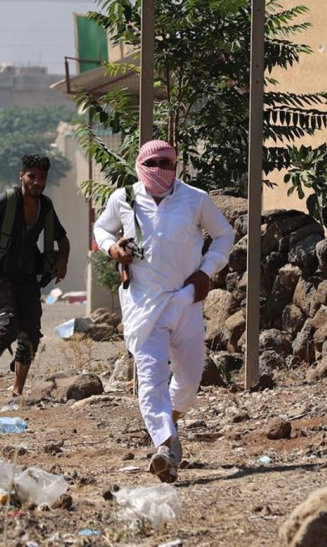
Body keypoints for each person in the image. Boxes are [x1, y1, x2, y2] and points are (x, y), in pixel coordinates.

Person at [93, 140, 233, 484]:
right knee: (151, 376)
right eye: (153, 162)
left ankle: (168, 425)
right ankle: (166, 447)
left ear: (176, 165)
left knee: (190, 378)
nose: (161, 169)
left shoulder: (195, 198)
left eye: (168, 163)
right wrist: (113, 249)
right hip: (143, 304)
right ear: (140, 164)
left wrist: (206, 271)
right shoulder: (124, 198)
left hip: (185, 299)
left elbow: (224, 234)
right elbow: (101, 229)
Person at [0, 154, 69, 401]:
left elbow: (62, 238)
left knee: (31, 335)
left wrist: (62, 262)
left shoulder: (45, 206)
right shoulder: (6, 201)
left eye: (42, 177)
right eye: (32, 176)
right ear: (21, 176)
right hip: (2, 274)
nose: (37, 182)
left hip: (29, 277)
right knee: (8, 325)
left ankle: (17, 392)